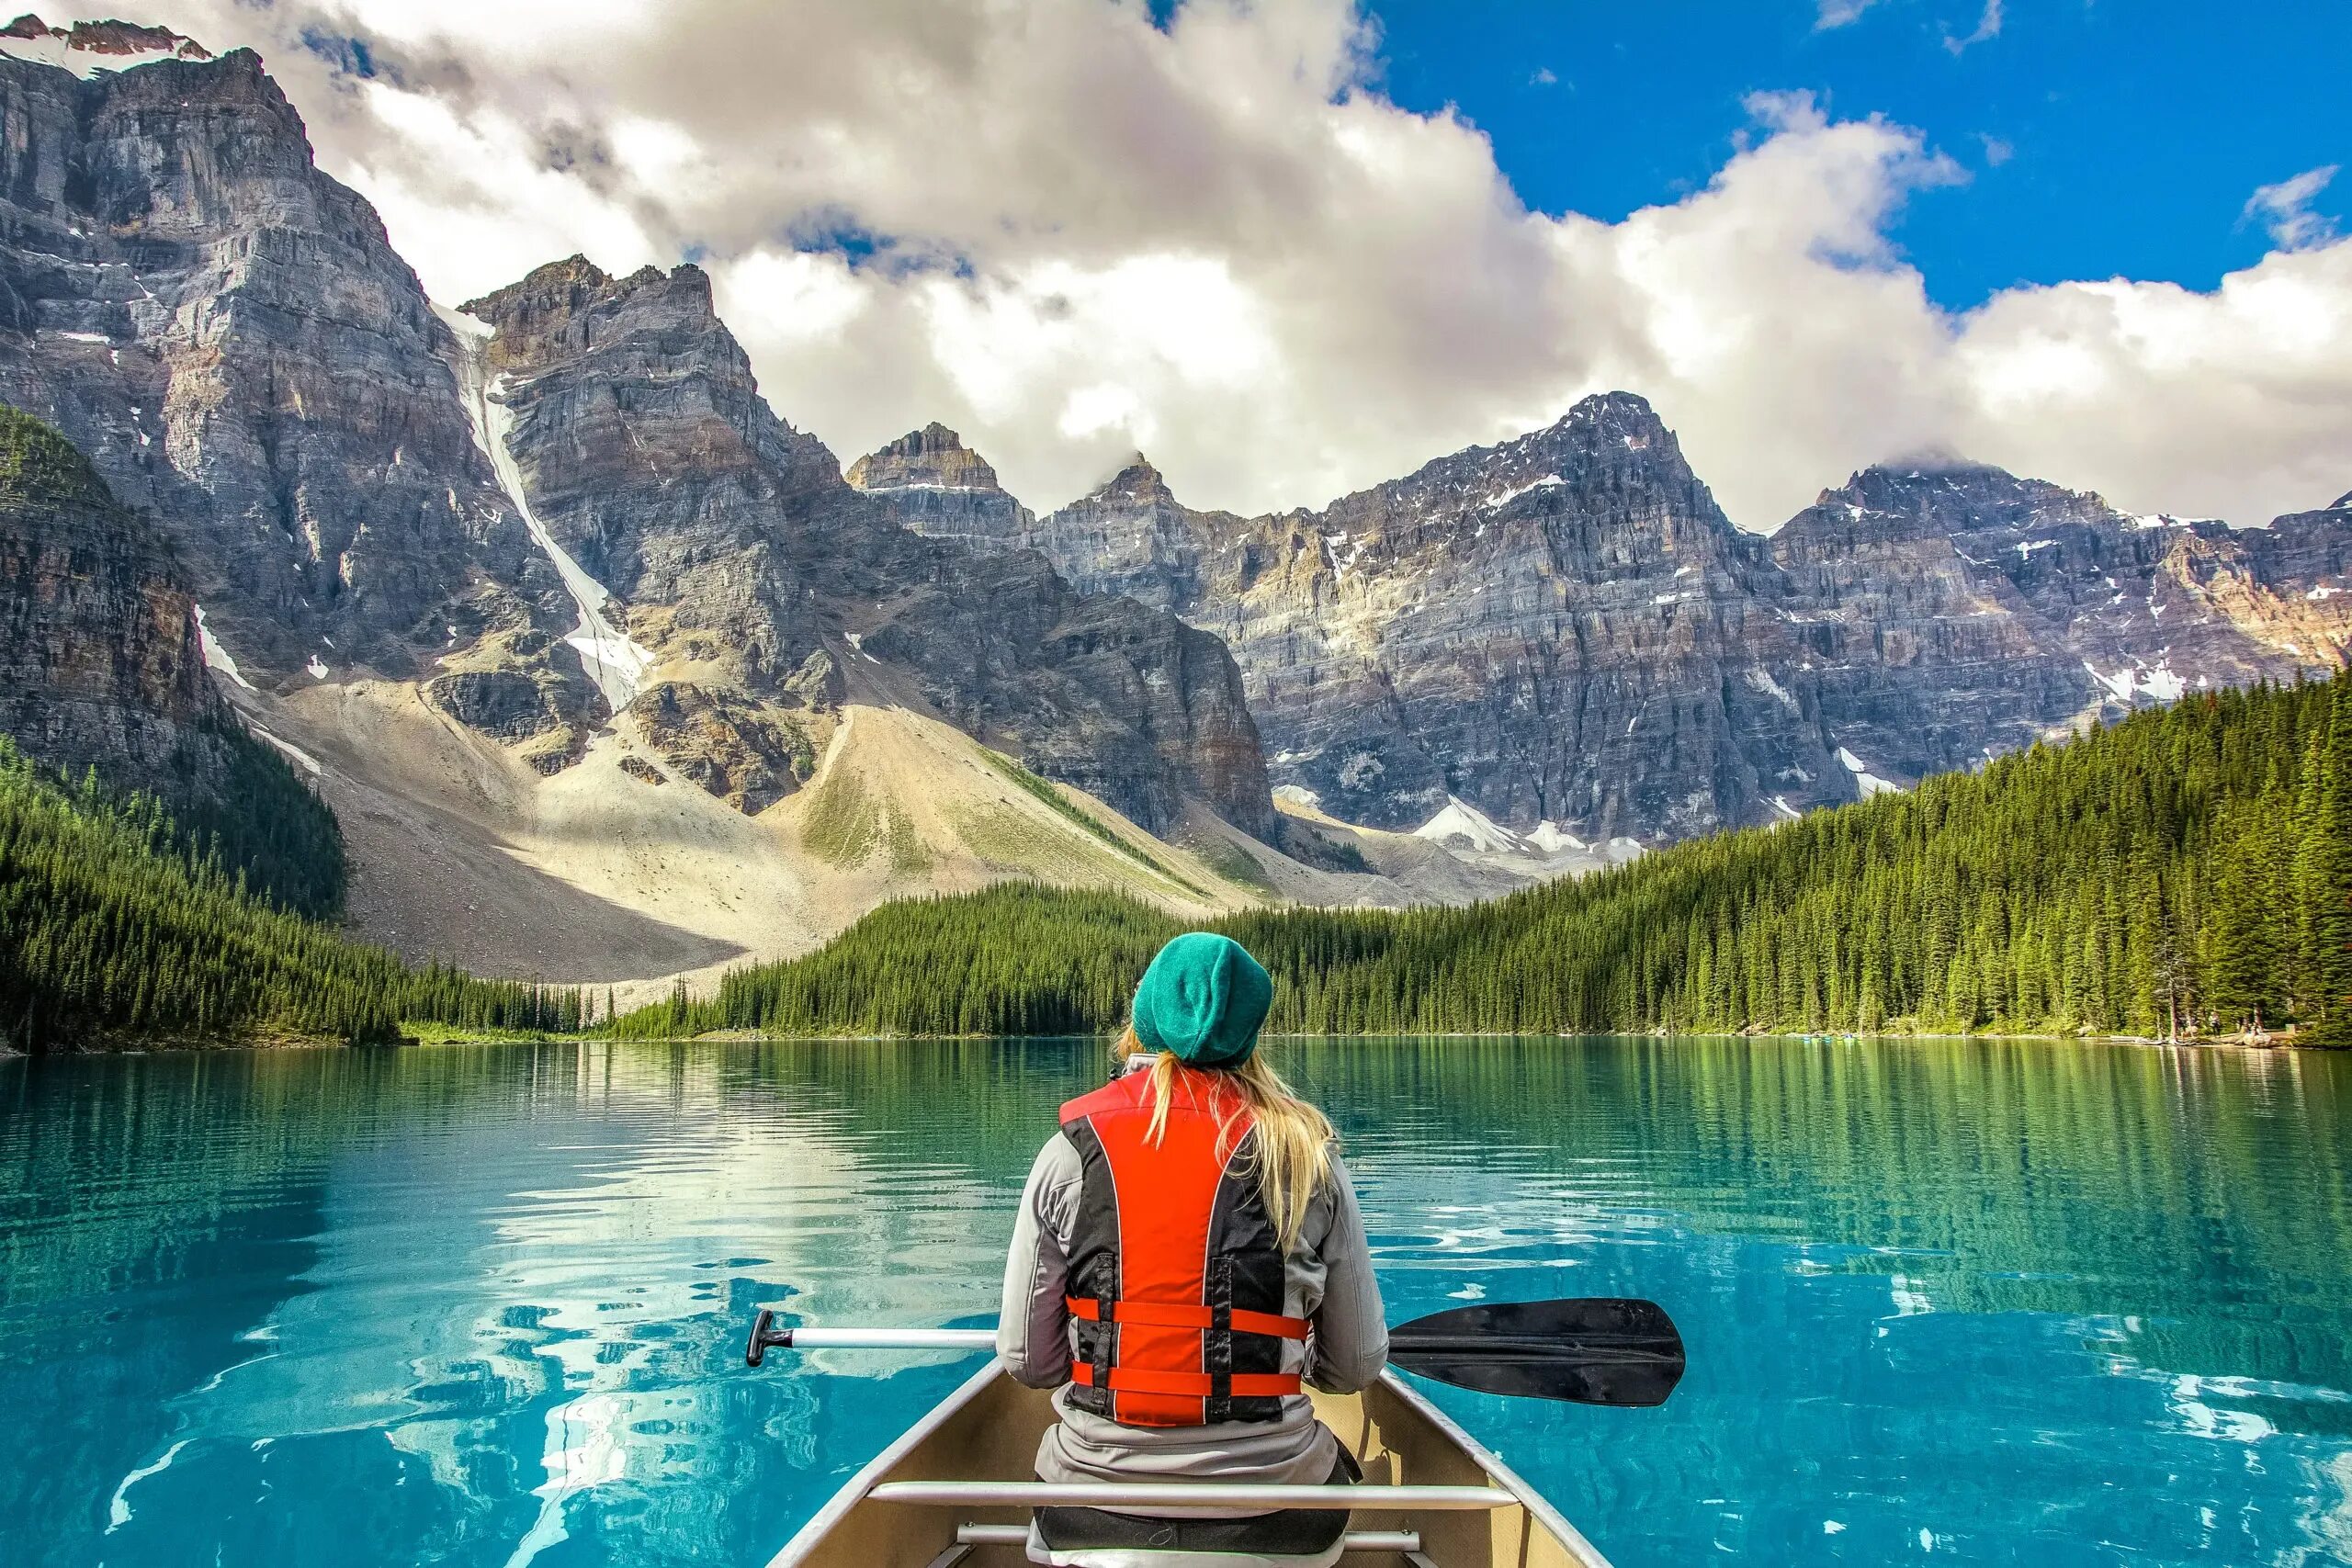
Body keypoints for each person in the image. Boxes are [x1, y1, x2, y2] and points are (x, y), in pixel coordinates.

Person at [998, 931, 1388, 1567]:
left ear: (1144, 1024)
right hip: (1276, 1520)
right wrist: (1289, 1349)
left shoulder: (1068, 1154)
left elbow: (1028, 1361)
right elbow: (1355, 1366)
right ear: (1249, 1035)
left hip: (1092, 1510)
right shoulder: (1309, 1159)